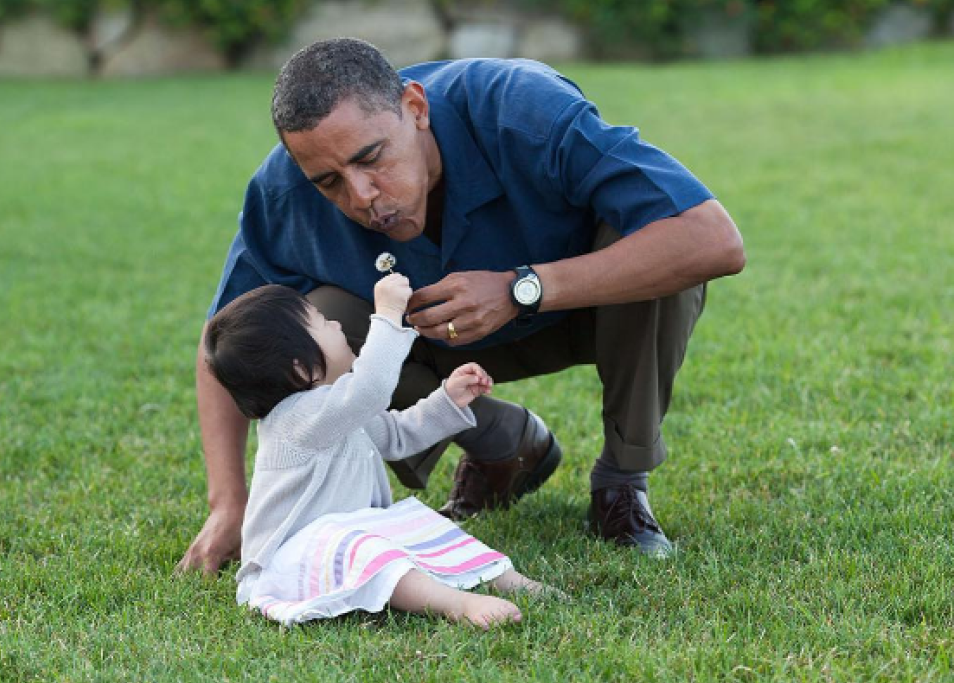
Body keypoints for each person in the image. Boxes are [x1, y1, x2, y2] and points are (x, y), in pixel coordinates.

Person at [177, 37, 745, 574]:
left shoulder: (522, 107)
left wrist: (523, 288)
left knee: (654, 242)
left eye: (371, 157)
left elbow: (711, 238)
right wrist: (229, 501)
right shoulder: (283, 194)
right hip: (434, 352)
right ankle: (505, 446)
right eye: (329, 182)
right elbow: (224, 341)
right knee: (318, 319)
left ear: (415, 107)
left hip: (580, 317)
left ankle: (622, 481)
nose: (362, 197)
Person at [204, 275, 552, 628]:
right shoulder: (297, 417)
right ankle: (456, 602)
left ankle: (508, 580)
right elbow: (372, 387)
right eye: (323, 323)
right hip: (294, 560)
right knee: (364, 546)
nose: (337, 324)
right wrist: (387, 313)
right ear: (302, 368)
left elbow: (396, 436)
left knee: (419, 523)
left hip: (349, 542)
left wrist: (447, 401)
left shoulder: (335, 409)